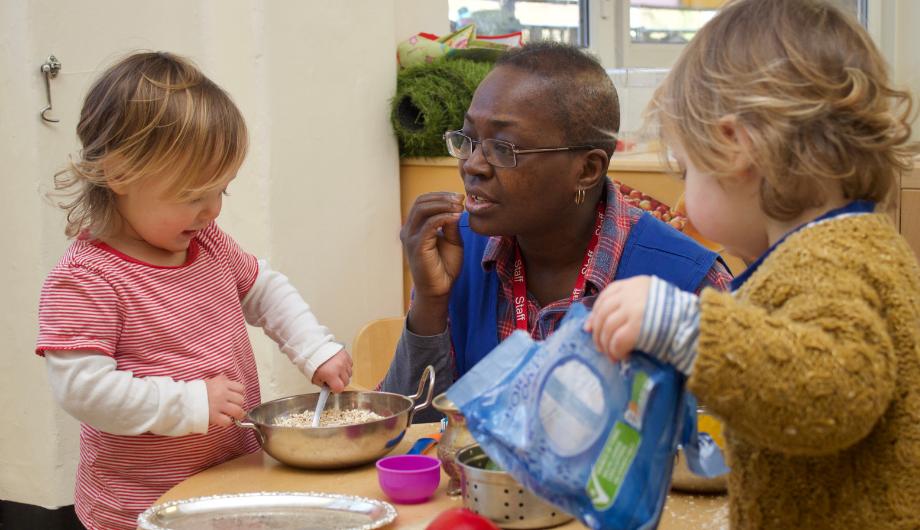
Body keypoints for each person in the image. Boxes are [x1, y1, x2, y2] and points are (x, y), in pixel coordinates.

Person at [585, 1, 920, 528]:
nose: (680, 205)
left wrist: (684, 326)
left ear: (735, 148)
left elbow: (836, 391)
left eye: (687, 170)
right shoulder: (836, 248)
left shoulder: (835, 259)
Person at [35, 52, 352, 530]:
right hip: (141, 507)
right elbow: (83, 389)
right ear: (119, 175)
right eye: (193, 195)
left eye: (222, 190)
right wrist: (185, 403)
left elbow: (264, 289)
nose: (213, 211)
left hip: (230, 478)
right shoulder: (87, 279)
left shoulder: (206, 244)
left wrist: (314, 348)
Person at [382, 42, 732, 420]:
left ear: (587, 169)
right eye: (467, 141)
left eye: (503, 148)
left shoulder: (689, 283)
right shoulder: (457, 248)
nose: (474, 166)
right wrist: (430, 304)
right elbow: (408, 440)